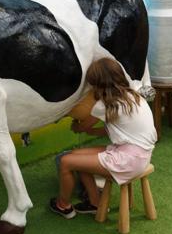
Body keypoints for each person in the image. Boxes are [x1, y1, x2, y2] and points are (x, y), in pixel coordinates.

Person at [49, 58, 157, 218]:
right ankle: (95, 203)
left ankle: (63, 205)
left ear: (98, 85)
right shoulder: (133, 96)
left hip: (128, 159)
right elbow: (123, 131)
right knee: (77, 156)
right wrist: (93, 133)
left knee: (66, 162)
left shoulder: (104, 105)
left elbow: (82, 127)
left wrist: (74, 123)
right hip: (140, 154)